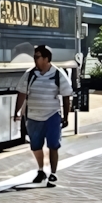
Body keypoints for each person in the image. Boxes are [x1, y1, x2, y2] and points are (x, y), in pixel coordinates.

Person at [13, 44, 74, 185]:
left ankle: (53, 173)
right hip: (33, 116)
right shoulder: (29, 75)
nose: (35, 59)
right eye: (34, 57)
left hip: (52, 115)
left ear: (46, 59)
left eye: (37, 57)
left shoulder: (58, 74)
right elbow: (22, 93)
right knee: (35, 146)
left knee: (53, 145)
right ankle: (41, 170)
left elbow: (66, 96)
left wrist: (66, 116)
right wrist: (17, 111)